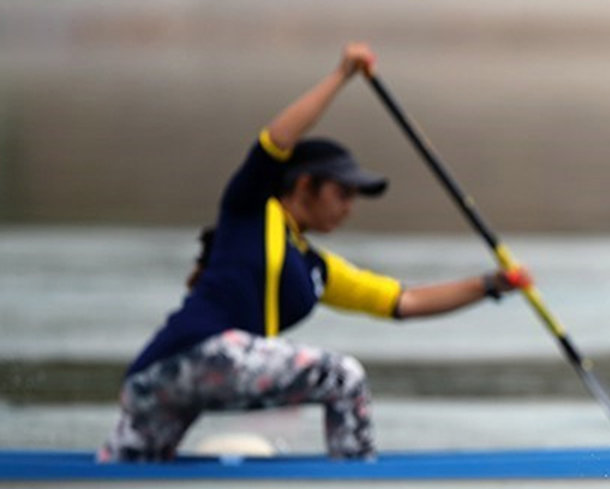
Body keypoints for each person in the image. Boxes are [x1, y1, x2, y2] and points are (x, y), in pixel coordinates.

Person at [99, 42, 531, 462]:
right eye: (342, 191)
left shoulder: (314, 268)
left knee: (132, 469)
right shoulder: (251, 208)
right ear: (304, 185)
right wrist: (342, 75)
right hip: (183, 359)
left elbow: (405, 301)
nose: (348, 206)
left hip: (165, 382)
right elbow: (276, 140)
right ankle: (356, 483)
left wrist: (491, 284)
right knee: (344, 377)